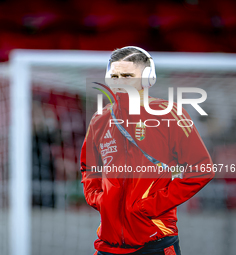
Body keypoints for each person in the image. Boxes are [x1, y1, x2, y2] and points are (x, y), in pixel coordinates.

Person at [80, 46, 215, 255]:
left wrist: (150, 206)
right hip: (107, 244)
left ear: (147, 78)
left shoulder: (170, 114)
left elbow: (201, 169)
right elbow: (89, 167)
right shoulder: (100, 119)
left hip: (156, 243)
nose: (119, 82)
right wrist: (99, 198)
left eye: (127, 75)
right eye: (114, 76)